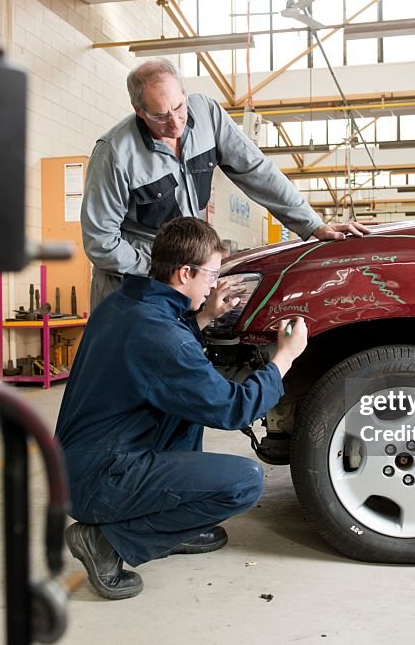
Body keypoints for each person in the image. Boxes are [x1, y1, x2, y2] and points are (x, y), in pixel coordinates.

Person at [55, 217, 309, 600]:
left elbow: (163, 354)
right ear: (184, 271)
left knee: (186, 407)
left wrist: (204, 315)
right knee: (243, 482)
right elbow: (232, 409)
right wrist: (284, 359)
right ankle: (108, 540)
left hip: (80, 464)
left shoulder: (124, 303)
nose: (214, 283)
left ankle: (172, 526)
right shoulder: (162, 336)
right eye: (210, 274)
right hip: (100, 479)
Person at [82, 57, 369, 310]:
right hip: (130, 290)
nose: (175, 124)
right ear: (139, 110)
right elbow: (101, 242)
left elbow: (257, 170)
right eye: (160, 116)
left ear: (184, 92)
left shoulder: (207, 114)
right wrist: (163, 272)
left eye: (179, 108)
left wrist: (312, 224)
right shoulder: (114, 153)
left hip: (183, 279)